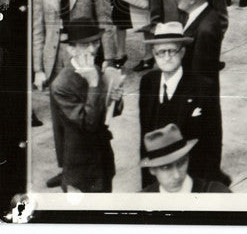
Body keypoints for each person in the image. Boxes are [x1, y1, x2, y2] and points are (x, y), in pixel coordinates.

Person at [138, 22, 224, 190]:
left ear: (183, 51)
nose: (167, 57)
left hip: (189, 178)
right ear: (154, 55)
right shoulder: (148, 82)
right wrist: (149, 185)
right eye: (161, 52)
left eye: (172, 51)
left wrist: (202, 187)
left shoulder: (203, 87)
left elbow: (213, 143)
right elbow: (145, 137)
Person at [49, 20, 123, 192]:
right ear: (71, 49)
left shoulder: (94, 68)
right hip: (81, 169)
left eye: (95, 42)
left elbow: (105, 113)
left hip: (103, 158)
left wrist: (115, 100)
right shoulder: (61, 85)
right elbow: (88, 124)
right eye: (85, 44)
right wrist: (94, 84)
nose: (92, 49)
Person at [140, 124, 231, 193]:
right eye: (166, 168)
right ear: (152, 170)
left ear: (187, 159)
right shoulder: (140, 201)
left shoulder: (216, 192)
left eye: (181, 163)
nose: (177, 176)